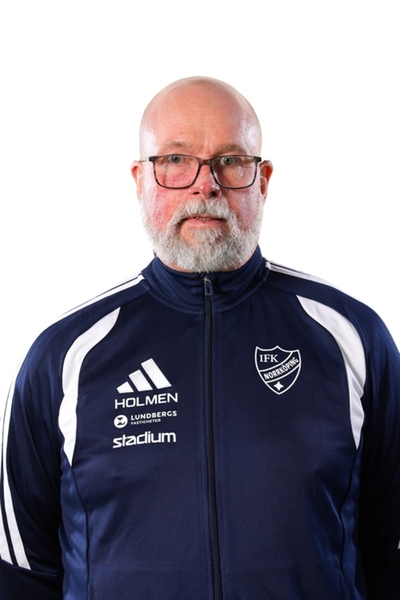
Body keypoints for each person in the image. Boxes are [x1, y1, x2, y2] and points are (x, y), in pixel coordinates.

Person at [0, 76, 399, 600]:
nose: (204, 185)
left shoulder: (352, 338)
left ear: (263, 180)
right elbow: (22, 573)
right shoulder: (65, 357)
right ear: (140, 179)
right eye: (175, 160)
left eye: (231, 161)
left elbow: (390, 554)